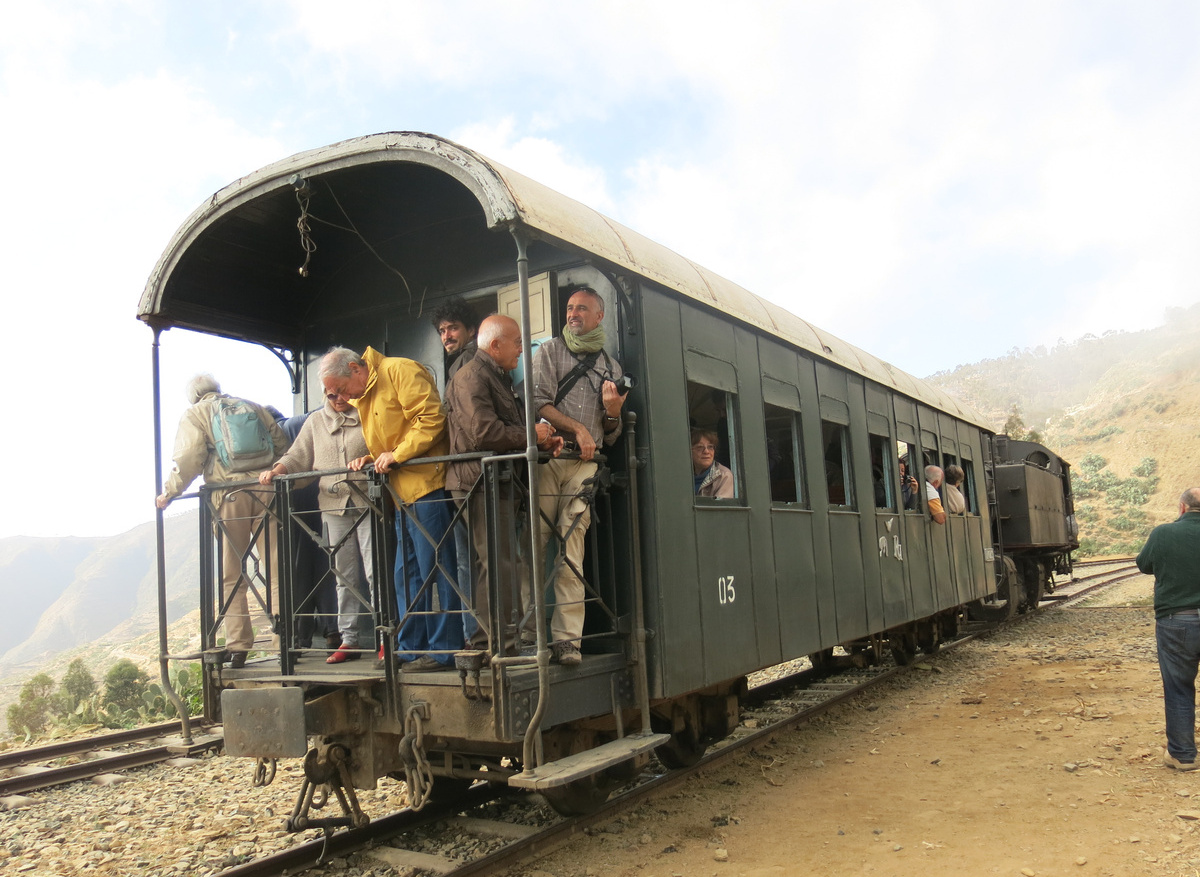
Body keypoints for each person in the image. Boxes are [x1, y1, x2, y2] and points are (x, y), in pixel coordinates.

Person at [320, 346, 463, 672]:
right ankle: (410, 649)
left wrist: (396, 454)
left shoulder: (399, 370)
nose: (342, 398)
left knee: (436, 571)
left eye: (340, 389)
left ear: (356, 369)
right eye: (333, 394)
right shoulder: (365, 392)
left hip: (428, 487)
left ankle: (444, 651)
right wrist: (377, 457)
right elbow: (391, 437)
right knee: (406, 576)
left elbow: (431, 419)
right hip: (400, 494)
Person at [444, 315, 563, 654]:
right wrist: (531, 435)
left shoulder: (493, 375)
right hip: (481, 483)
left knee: (494, 563)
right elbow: (484, 433)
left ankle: (490, 641)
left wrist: (539, 445)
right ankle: (504, 644)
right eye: (517, 342)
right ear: (495, 346)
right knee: (500, 562)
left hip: (493, 481)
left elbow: (505, 435)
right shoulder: (471, 377)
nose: (523, 350)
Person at [156, 374, 290, 669]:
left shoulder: (196, 413)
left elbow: (189, 457)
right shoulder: (252, 406)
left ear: (194, 396)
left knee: (233, 572)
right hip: (268, 490)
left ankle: (239, 645)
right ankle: (286, 640)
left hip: (230, 497)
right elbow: (282, 445)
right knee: (277, 568)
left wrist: (170, 492)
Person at [532, 284, 628, 665]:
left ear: (599, 316)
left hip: (585, 466)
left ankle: (567, 641)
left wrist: (612, 411)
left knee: (572, 550)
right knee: (535, 546)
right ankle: (528, 634)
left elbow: (614, 432)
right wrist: (578, 429)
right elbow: (538, 401)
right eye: (570, 308)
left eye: (582, 309)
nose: (573, 314)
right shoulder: (550, 351)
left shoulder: (613, 368)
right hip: (548, 460)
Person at [260, 394, 375, 664]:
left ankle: (386, 639)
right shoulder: (315, 421)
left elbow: (385, 445)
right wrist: (276, 470)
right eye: (330, 393)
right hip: (333, 506)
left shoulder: (369, 413)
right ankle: (349, 640)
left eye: (341, 390)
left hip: (369, 502)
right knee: (343, 576)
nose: (336, 398)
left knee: (375, 573)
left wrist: (370, 459)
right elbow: (297, 455)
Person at [1136, 488, 1200, 771]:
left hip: (1177, 621)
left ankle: (1183, 755)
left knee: (1179, 688)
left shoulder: (1163, 533)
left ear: (1182, 507)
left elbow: (1144, 564)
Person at [431, 297, 479, 382]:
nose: (446, 336)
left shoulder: (469, 357)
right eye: (442, 331)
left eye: (453, 328)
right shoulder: (464, 357)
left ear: (471, 330)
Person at [691, 429, 734, 498]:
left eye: (710, 447)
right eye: (700, 447)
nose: (706, 451)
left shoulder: (724, 475)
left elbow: (720, 507)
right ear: (690, 451)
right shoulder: (681, 474)